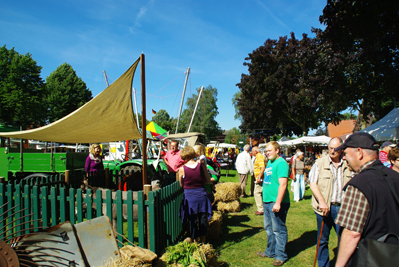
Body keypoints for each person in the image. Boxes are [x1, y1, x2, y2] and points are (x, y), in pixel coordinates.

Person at [334, 132, 399, 267]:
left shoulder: (359, 184)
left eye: (345, 153)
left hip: (371, 257)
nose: (344, 157)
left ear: (359, 153)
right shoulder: (395, 176)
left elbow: (352, 234)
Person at [308, 137, 352, 267]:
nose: (332, 151)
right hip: (324, 207)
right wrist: (322, 202)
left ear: (341, 149)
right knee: (322, 240)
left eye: (335, 148)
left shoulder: (348, 164)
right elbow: (313, 184)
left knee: (345, 241)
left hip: (343, 208)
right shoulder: (320, 163)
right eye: (330, 148)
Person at [257, 141, 290, 266]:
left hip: (276, 202)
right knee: (269, 229)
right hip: (267, 201)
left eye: (270, 150)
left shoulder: (281, 163)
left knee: (278, 229)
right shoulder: (270, 162)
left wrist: (278, 203)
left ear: (277, 150)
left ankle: (281, 255)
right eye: (266, 151)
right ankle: (270, 251)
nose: (267, 152)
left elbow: (283, 184)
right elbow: (272, 180)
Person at [179, 146, 212, 243]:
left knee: (192, 219)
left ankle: (195, 239)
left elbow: (181, 184)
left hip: (190, 196)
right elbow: (207, 179)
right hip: (201, 194)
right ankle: (203, 239)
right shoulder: (200, 165)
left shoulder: (182, 169)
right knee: (202, 217)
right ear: (193, 154)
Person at [252, 146, 266, 215]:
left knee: (257, 193)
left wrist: (259, 177)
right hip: (260, 178)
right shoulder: (259, 156)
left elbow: (262, 167)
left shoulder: (259, 157)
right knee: (260, 192)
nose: (251, 153)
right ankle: (261, 208)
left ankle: (260, 209)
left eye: (252, 151)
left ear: (256, 151)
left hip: (260, 178)